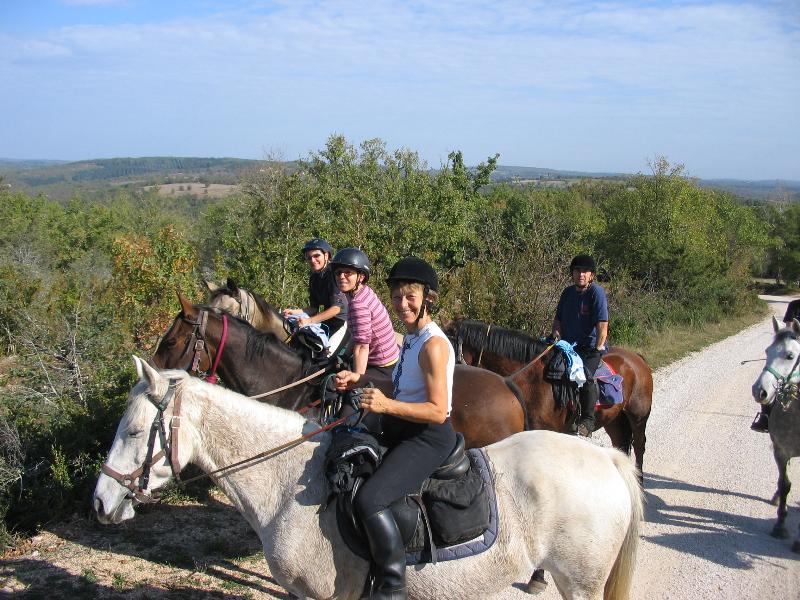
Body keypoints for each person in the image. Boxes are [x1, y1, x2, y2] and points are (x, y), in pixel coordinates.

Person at [335, 256, 456, 600]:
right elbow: (401, 388)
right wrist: (359, 381)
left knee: (370, 499)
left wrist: (385, 406)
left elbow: (437, 410)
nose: (402, 304)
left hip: (429, 437)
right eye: (397, 297)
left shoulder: (433, 345)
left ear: (427, 298)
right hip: (404, 426)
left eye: (410, 297)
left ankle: (392, 588)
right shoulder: (411, 336)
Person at [550, 254, 609, 438]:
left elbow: (602, 324)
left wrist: (598, 346)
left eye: (585, 271)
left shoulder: (596, 293)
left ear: (591, 275)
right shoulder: (567, 293)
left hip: (589, 348)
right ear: (572, 273)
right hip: (568, 347)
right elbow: (558, 320)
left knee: (586, 377)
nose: (580, 274)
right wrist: (555, 336)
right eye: (577, 270)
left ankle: (588, 420)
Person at [330, 248, 399, 379]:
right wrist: (342, 355)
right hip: (389, 358)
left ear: (360, 277)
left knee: (338, 390)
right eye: (338, 273)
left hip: (382, 366)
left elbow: (362, 347)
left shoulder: (358, 304)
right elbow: (355, 334)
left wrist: (357, 381)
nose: (341, 277)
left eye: (348, 273)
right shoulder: (363, 292)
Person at [283, 238, 349, 346]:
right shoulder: (314, 278)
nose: (313, 260)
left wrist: (309, 321)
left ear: (326, 256)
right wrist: (294, 312)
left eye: (316, 256)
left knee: (326, 357)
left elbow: (336, 309)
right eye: (309, 258)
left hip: (342, 323)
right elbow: (314, 308)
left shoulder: (333, 275)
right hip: (326, 323)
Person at [751, 297, 800, 433]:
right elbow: (788, 328)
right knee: (773, 374)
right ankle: (766, 416)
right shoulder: (794, 305)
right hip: (795, 348)